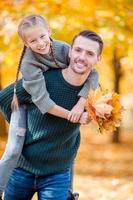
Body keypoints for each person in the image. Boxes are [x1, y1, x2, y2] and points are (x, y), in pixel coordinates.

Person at [0, 15, 99, 199]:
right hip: (30, 106)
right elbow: (40, 102)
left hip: (57, 169)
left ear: (49, 33)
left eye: (43, 36)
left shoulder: (63, 49)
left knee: (69, 145)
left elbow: (92, 73)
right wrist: (19, 118)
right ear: (26, 44)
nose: (40, 43)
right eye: (33, 40)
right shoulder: (28, 64)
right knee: (13, 148)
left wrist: (81, 102)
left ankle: (67, 192)